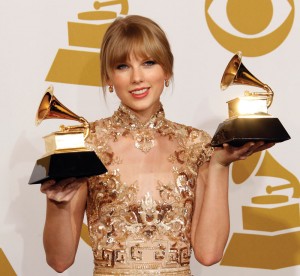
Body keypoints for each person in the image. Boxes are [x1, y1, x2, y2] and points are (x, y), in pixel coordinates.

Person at [40, 15, 274, 275]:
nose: (137, 77)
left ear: (167, 70)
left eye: (148, 63)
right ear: (108, 77)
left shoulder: (196, 144)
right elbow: (59, 261)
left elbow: (209, 254)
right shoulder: (86, 144)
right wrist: (57, 204)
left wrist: (219, 165)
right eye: (122, 66)